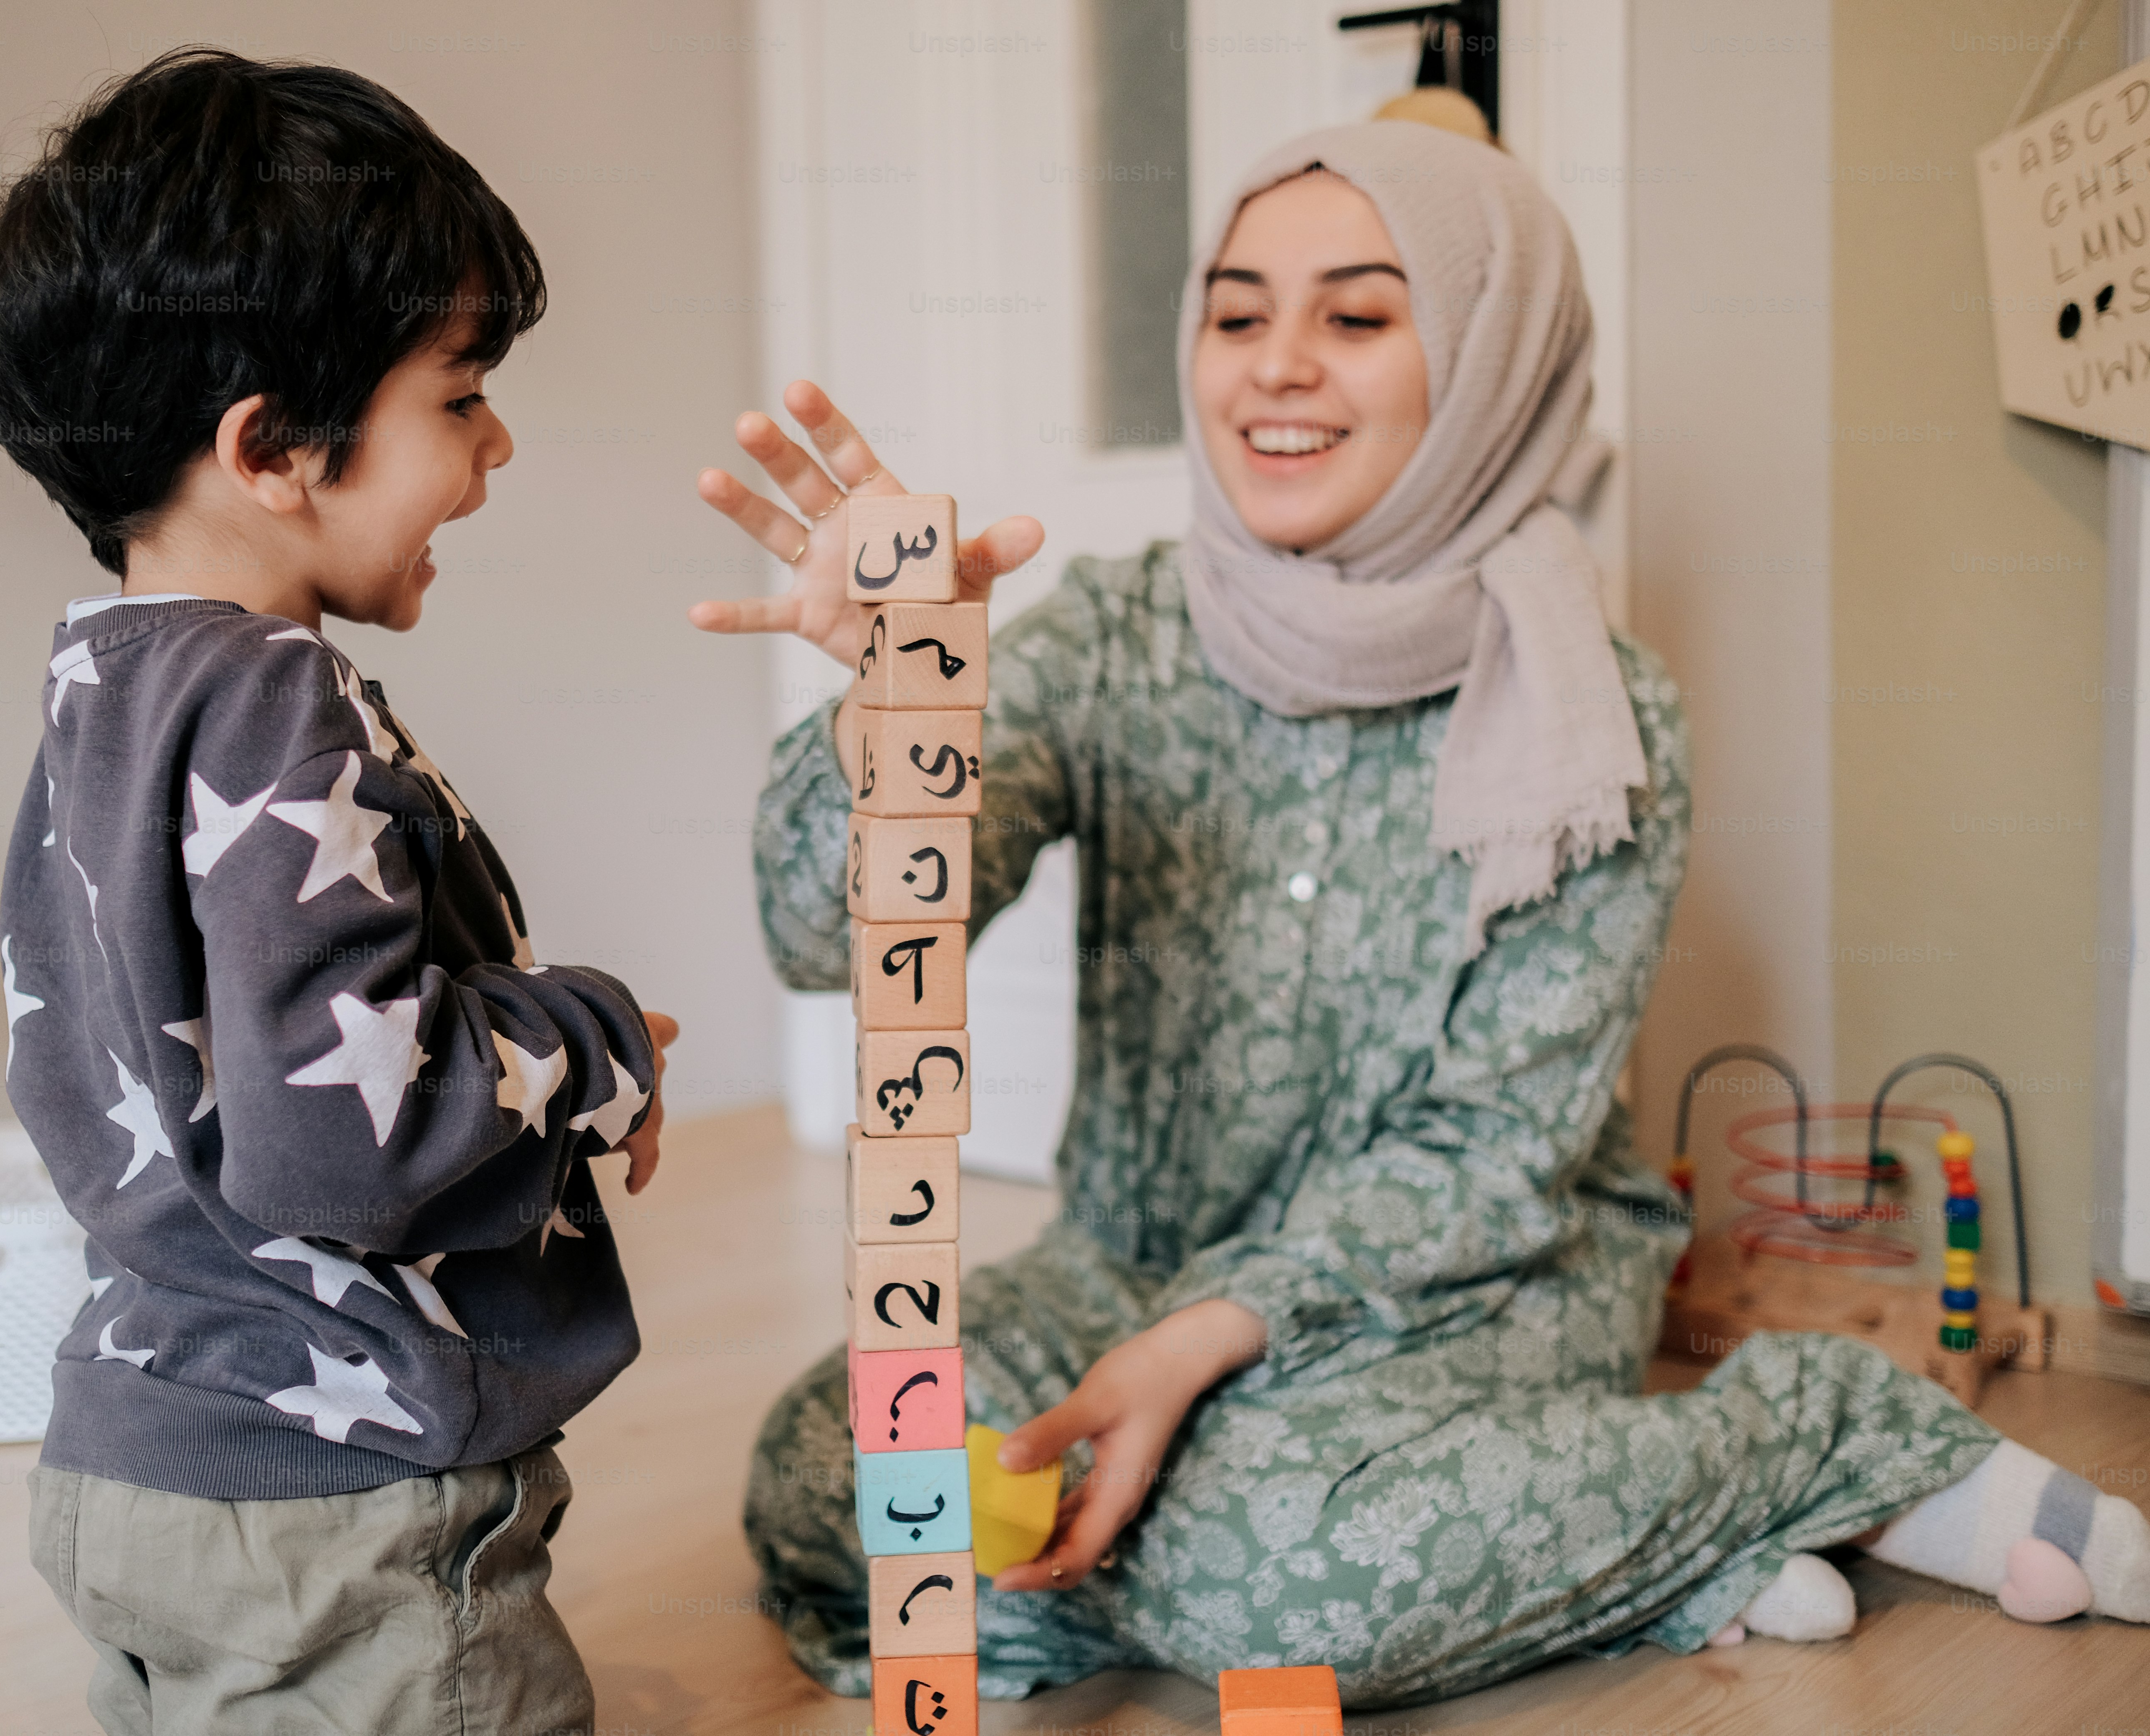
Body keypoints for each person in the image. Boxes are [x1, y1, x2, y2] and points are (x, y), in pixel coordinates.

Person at [692, 120, 2149, 1707]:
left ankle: (1809, 1436)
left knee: (1268, 1559)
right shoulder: (1109, 638)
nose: (1276, 370)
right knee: (824, 1472)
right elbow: (822, 942)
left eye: (1360, 318)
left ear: (1491, 365)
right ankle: (1581, 1563)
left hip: (1476, 1282)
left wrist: (1198, 1358)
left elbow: (1493, 1152)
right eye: (1237, 316)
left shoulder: (1602, 716)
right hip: (1132, 1262)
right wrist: (893, 708)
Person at [0, 50, 674, 1734]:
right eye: (460, 392)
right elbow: (350, 1133)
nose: (494, 445)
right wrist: (592, 1036)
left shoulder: (103, 687)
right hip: (337, 1506)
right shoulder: (281, 692)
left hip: (138, 1452)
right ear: (273, 443)